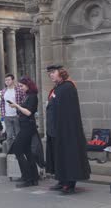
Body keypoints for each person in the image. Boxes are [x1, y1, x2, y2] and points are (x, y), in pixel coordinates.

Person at [45, 65, 91, 194]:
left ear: (61, 73)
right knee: (58, 155)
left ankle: (70, 183)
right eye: (49, 73)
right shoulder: (57, 88)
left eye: (53, 72)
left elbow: (69, 112)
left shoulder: (68, 87)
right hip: (55, 129)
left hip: (65, 130)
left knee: (67, 155)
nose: (51, 75)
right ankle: (61, 180)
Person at [8, 76, 39, 188]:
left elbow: (28, 112)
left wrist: (16, 106)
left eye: (21, 86)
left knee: (17, 150)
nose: (20, 88)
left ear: (28, 85)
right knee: (27, 152)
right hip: (25, 126)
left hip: (28, 127)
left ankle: (27, 177)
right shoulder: (27, 96)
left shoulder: (32, 97)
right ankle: (34, 177)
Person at [0, 73, 25, 148]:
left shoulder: (19, 90)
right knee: (9, 136)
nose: (7, 81)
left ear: (13, 80)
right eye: (6, 80)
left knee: (18, 134)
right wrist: (3, 113)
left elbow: (24, 101)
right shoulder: (3, 91)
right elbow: (2, 103)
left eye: (8, 80)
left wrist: (21, 112)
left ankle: (20, 150)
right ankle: (10, 152)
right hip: (7, 116)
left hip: (17, 115)